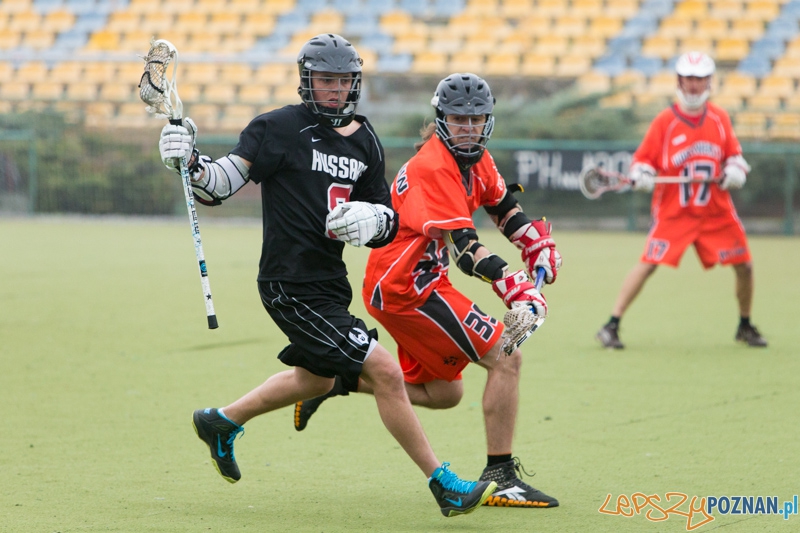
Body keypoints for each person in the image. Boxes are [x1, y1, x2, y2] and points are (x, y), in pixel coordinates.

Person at [157, 34, 497, 517]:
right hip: (287, 284)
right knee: (383, 370)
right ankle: (443, 484)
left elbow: (388, 220)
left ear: (354, 83)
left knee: (315, 380)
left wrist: (371, 222)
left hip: (328, 284)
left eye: (342, 80)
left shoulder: (366, 140)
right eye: (325, 80)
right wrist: (189, 162)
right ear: (306, 80)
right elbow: (219, 185)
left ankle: (220, 422)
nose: (334, 89)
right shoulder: (276, 128)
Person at [294, 73, 563, 509]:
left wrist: (534, 241)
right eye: (458, 119)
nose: (468, 128)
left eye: (476, 120)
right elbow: (467, 252)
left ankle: (337, 382)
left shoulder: (476, 159)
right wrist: (515, 285)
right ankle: (502, 476)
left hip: (415, 282)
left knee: (445, 394)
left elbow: (502, 205)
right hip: (406, 288)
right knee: (507, 358)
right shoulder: (433, 167)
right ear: (441, 119)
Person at [596, 51, 767, 349]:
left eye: (700, 79)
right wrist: (643, 174)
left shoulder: (719, 118)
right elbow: (643, 161)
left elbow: (734, 156)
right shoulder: (665, 121)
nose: (694, 85)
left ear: (709, 82)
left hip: (716, 211)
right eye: (689, 78)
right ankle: (611, 324)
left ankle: (745, 324)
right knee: (648, 264)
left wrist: (735, 169)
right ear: (679, 80)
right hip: (675, 211)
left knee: (745, 266)